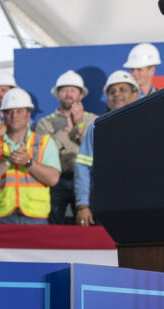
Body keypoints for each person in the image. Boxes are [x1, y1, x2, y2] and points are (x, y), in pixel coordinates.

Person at [0, 88, 61, 225]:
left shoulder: (45, 142)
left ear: (28, 115)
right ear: (3, 115)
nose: (14, 116)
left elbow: (53, 178)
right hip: (0, 216)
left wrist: (28, 162)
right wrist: (8, 162)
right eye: (10, 112)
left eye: (19, 111)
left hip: (35, 216)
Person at [74, 71, 140, 227]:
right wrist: (83, 205)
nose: (116, 94)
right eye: (112, 92)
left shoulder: (146, 123)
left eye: (122, 89)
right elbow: (83, 166)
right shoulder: (96, 128)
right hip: (107, 207)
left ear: (135, 94)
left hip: (140, 204)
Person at [35, 70, 98, 224]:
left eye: (73, 90)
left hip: (87, 181)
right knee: (53, 223)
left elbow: (96, 150)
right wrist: (65, 132)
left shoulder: (93, 119)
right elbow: (42, 154)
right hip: (57, 180)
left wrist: (80, 126)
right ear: (57, 95)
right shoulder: (45, 123)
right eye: (64, 90)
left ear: (81, 95)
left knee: (88, 223)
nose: (68, 94)